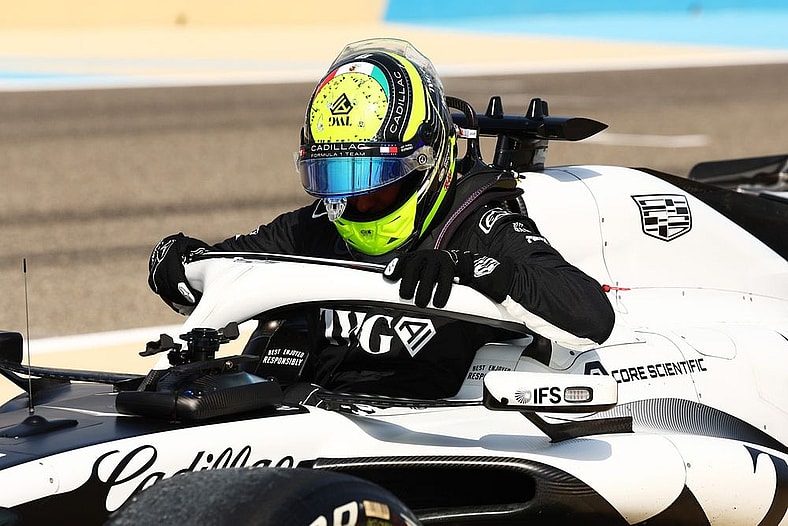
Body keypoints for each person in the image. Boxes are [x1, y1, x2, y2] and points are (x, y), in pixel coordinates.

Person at [148, 38, 615, 399]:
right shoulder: (319, 225)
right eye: (337, 179)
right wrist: (176, 261)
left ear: (425, 163)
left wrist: (468, 268)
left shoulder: (480, 220)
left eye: (375, 180)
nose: (355, 203)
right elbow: (217, 264)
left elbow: (592, 317)